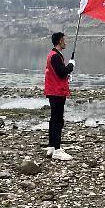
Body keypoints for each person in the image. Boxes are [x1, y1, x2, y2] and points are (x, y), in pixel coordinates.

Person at [44, 31, 75, 159]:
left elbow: (58, 73)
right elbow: (61, 72)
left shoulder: (54, 55)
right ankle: (57, 149)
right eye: (64, 40)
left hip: (53, 91)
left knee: (54, 119)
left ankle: (51, 146)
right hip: (56, 92)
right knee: (58, 120)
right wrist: (71, 66)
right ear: (59, 41)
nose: (65, 42)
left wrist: (67, 73)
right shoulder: (55, 56)